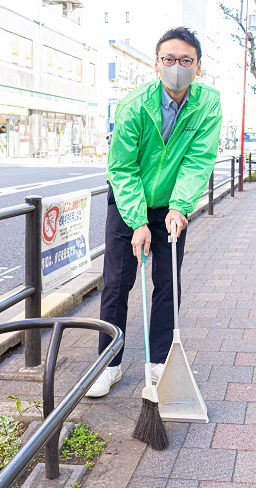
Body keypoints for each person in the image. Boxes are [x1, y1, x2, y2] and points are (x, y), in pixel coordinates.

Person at [86, 27, 222, 398]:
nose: (177, 66)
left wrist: (180, 207)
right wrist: (138, 222)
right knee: (117, 282)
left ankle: (159, 360)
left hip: (171, 204)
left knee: (167, 281)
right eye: (169, 59)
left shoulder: (207, 102)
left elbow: (198, 160)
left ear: (198, 66)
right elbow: (122, 168)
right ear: (156, 63)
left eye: (185, 60)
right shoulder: (135, 105)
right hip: (129, 200)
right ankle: (107, 363)